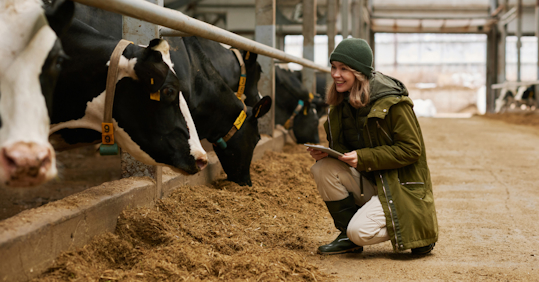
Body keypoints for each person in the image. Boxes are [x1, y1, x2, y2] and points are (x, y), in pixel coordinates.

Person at [307, 38, 438, 255]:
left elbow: (412, 149)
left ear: (359, 72)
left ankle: (415, 231)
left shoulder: (394, 103)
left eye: (343, 69)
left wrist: (364, 157)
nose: (335, 74)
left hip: (398, 187)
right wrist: (328, 154)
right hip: (370, 181)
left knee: (359, 231)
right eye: (333, 67)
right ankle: (349, 237)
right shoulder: (341, 104)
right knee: (323, 169)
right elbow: (345, 151)